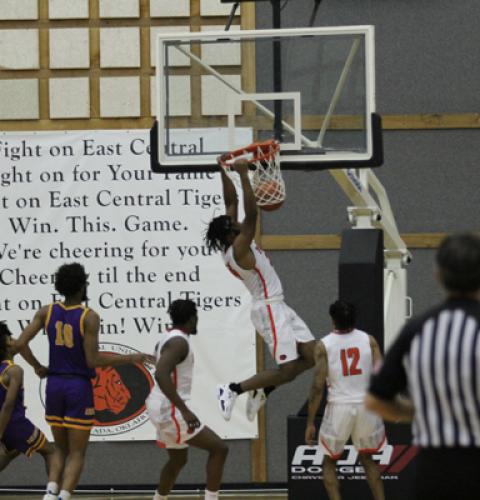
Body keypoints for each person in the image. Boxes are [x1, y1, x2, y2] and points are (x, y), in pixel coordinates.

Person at [366, 233, 480, 500]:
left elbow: (375, 401)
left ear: (438, 275)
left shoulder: (416, 330)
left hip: (434, 471)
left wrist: (421, 411)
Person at [15, 262, 153, 500]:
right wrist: (132, 357)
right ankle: (64, 496)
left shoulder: (46, 311)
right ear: (81, 287)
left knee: (60, 448)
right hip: (78, 387)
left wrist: (37, 367)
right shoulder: (89, 317)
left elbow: (19, 344)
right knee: (77, 452)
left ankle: (50, 492)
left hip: (54, 386)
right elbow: (92, 361)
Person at [204, 158, 316, 422]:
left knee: (313, 356)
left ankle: (263, 388)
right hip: (268, 308)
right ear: (232, 236)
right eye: (235, 227)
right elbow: (252, 214)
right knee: (287, 369)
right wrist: (244, 175)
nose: (239, 224)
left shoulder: (231, 240)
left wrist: (222, 170)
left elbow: (230, 202)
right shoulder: (239, 249)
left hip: (279, 305)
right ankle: (233, 389)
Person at [146, 299, 228, 500]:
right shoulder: (179, 342)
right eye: (196, 318)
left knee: (178, 460)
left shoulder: (167, 338)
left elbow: (163, 368)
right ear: (192, 319)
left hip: (158, 404)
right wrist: (184, 410)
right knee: (219, 449)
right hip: (169, 408)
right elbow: (161, 374)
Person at [305, 300, 385, 500]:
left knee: (329, 463)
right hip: (367, 406)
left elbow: (317, 387)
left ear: (332, 319)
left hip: (339, 407)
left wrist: (310, 422)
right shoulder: (370, 340)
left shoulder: (323, 345)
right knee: (368, 460)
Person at [0, 322, 59, 493]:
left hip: (6, 424)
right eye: (10, 338)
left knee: (12, 452)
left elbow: (21, 345)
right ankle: (53, 494)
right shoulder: (14, 370)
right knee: (50, 452)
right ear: (5, 344)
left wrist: (37, 367)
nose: (14, 341)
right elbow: (8, 405)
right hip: (14, 423)